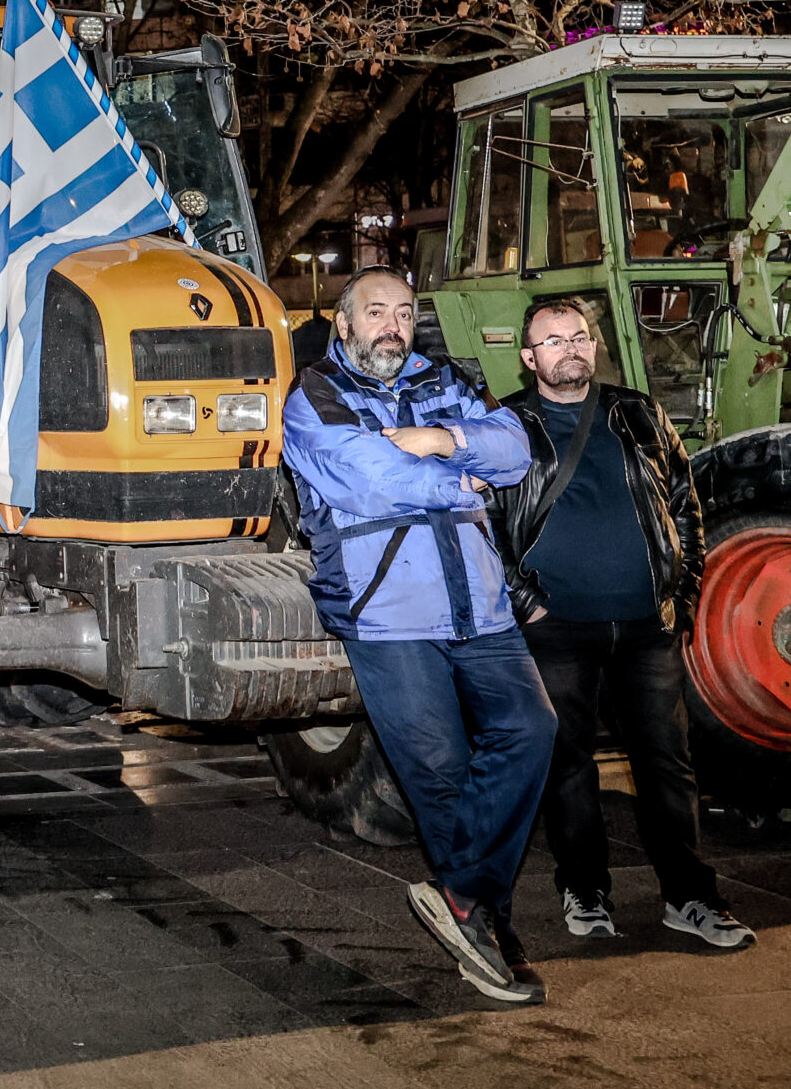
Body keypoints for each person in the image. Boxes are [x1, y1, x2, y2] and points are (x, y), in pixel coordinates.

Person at [283, 268, 555, 1005]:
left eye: (404, 312)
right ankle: (488, 924)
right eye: (376, 312)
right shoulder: (316, 397)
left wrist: (439, 437)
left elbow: (515, 450)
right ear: (343, 323)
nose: (392, 326)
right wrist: (455, 479)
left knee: (532, 729)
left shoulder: (447, 381)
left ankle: (464, 896)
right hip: (388, 614)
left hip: (481, 607)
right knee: (440, 771)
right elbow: (365, 480)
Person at [497, 295, 754, 950]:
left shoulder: (637, 411)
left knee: (668, 765)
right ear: (529, 357)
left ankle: (691, 897)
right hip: (556, 630)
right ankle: (584, 888)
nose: (570, 349)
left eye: (579, 336)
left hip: (646, 625)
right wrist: (522, 600)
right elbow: (478, 525)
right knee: (570, 767)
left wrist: (684, 593)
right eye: (552, 340)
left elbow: (684, 502)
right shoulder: (505, 424)